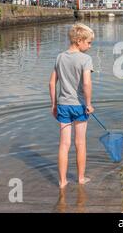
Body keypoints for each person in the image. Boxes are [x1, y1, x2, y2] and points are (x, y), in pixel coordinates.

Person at [49, 23, 95, 189]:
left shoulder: (60, 57)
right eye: (89, 43)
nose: (90, 46)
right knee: (80, 143)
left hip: (63, 105)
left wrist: (54, 104)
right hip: (79, 106)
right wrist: (88, 104)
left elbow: (52, 82)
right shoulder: (86, 59)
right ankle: (81, 178)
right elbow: (87, 83)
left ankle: (62, 182)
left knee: (64, 144)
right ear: (79, 40)